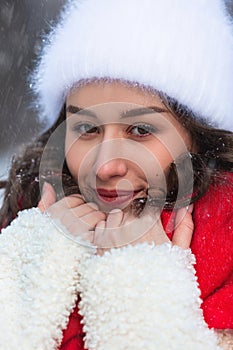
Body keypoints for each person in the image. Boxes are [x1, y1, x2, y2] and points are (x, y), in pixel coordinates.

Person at [0, 0, 232, 349]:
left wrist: (142, 287)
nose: (105, 166)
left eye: (140, 130)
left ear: (197, 138)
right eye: (87, 128)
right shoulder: (26, 217)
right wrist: (35, 264)